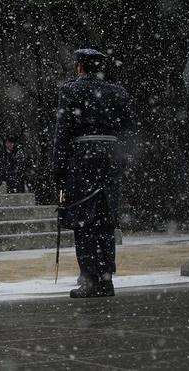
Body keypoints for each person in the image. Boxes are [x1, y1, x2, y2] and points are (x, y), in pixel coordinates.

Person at [53, 48, 130, 298]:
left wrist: (58, 169)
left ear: (81, 67)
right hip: (111, 158)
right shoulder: (118, 92)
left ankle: (90, 279)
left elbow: (63, 131)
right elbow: (129, 131)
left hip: (83, 158)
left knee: (84, 223)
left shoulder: (71, 90)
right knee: (106, 223)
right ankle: (106, 279)